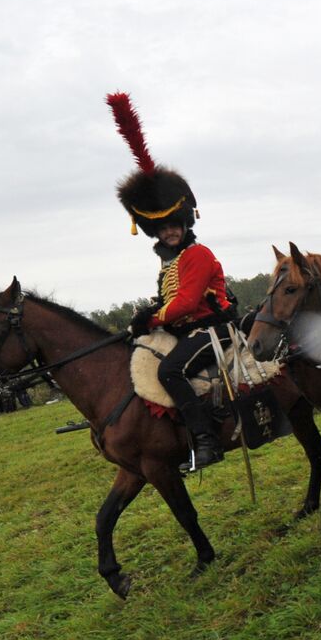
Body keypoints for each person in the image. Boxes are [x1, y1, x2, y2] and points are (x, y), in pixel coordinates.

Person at [110, 92, 231, 470]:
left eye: (174, 224)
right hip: (187, 331)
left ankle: (207, 442)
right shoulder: (169, 263)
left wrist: (152, 318)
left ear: (184, 223)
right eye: (162, 227)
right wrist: (146, 319)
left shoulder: (196, 254)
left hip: (213, 329)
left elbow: (184, 304)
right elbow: (169, 302)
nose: (169, 231)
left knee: (170, 371)